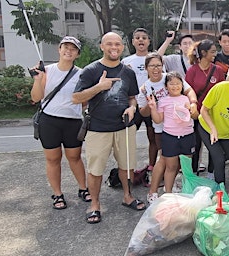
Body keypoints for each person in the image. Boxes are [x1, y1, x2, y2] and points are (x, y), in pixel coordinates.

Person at [72, 32, 145, 224]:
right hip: (97, 128)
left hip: (124, 127)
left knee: (127, 165)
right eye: (109, 44)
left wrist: (132, 107)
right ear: (102, 47)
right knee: (95, 169)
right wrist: (99, 87)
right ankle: (94, 204)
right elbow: (76, 98)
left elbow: (132, 97)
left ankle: (127, 196)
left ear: (123, 47)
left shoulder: (128, 72)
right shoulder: (91, 70)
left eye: (118, 44)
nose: (114, 47)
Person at [30, 36, 90, 210]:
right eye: (65, 47)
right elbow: (35, 98)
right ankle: (57, 194)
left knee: (75, 157)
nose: (68, 51)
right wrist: (37, 79)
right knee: (53, 158)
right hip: (49, 120)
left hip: (72, 121)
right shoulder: (45, 70)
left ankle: (83, 188)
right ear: (59, 49)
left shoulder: (81, 74)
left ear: (77, 53)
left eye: (73, 48)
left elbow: (84, 99)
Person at [136, 53, 197, 203]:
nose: (156, 69)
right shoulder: (145, 88)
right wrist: (151, 106)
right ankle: (153, 191)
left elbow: (189, 91)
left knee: (175, 161)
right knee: (164, 160)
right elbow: (142, 112)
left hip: (184, 131)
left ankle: (169, 188)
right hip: (162, 129)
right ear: (146, 68)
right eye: (152, 66)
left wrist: (193, 104)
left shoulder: (170, 77)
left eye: (158, 65)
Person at [147, 71, 196, 196]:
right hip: (170, 137)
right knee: (171, 167)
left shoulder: (186, 99)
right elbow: (158, 120)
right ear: (166, 86)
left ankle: (187, 192)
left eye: (178, 83)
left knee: (186, 168)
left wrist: (191, 108)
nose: (175, 86)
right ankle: (168, 194)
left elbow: (194, 116)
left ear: (182, 85)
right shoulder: (163, 101)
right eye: (171, 84)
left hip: (187, 135)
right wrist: (153, 108)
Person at [185, 39, 226, 178]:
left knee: (213, 144)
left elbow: (222, 92)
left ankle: (211, 173)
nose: (215, 54)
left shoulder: (218, 70)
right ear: (203, 53)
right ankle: (194, 173)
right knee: (196, 145)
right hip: (196, 114)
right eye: (212, 51)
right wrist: (193, 108)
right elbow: (186, 91)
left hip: (213, 114)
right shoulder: (192, 71)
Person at [121, 28, 156, 176]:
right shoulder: (126, 61)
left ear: (149, 41)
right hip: (133, 104)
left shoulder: (155, 59)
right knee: (128, 138)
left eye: (144, 37)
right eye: (137, 38)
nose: (141, 40)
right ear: (133, 42)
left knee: (153, 136)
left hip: (151, 104)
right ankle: (129, 168)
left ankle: (152, 167)